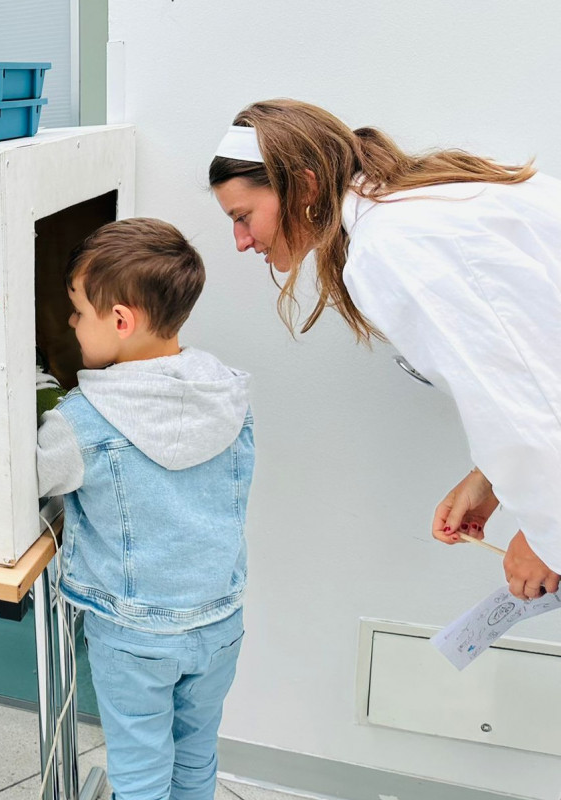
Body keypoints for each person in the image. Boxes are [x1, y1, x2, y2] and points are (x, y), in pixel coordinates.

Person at [208, 99, 561, 601]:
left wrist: (546, 535)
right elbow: (533, 362)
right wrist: (491, 480)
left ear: (304, 185)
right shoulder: (422, 205)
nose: (241, 240)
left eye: (243, 216)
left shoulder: (392, 246)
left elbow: (529, 398)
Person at [37, 218, 254, 800]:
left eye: (78, 310)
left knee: (139, 774)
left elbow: (30, 480)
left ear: (121, 321)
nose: (71, 323)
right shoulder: (230, 397)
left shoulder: (80, 422)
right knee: (195, 756)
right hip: (220, 622)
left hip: (133, 635)